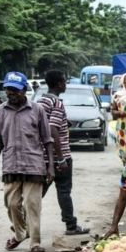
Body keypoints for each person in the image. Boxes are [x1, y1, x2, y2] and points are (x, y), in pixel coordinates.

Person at [0, 72, 54, 252]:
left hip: (34, 164)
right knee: (11, 204)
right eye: (8, 90)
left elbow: (47, 139)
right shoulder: (1, 112)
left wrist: (50, 166)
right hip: (11, 164)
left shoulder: (37, 110)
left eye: (15, 90)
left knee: (32, 204)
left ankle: (35, 241)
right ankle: (20, 234)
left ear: (24, 90)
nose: (11, 93)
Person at [38, 70, 89, 235]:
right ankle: (71, 225)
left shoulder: (41, 102)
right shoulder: (57, 103)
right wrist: (60, 159)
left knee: (38, 192)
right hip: (59, 156)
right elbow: (52, 130)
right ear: (59, 84)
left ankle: (23, 221)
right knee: (64, 191)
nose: (65, 84)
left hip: (42, 156)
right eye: (64, 82)